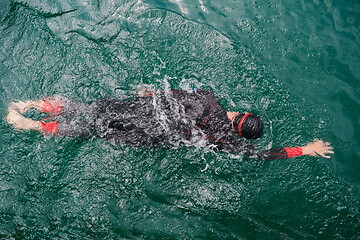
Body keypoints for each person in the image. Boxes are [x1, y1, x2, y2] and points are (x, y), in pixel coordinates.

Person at [6, 88, 333, 160]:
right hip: (149, 134)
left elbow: (167, 94)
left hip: (143, 107)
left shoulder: (208, 98)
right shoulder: (223, 139)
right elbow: (261, 156)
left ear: (239, 116)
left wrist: (142, 94)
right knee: (94, 128)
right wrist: (305, 148)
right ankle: (30, 125)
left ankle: (31, 105)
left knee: (92, 109)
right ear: (237, 131)